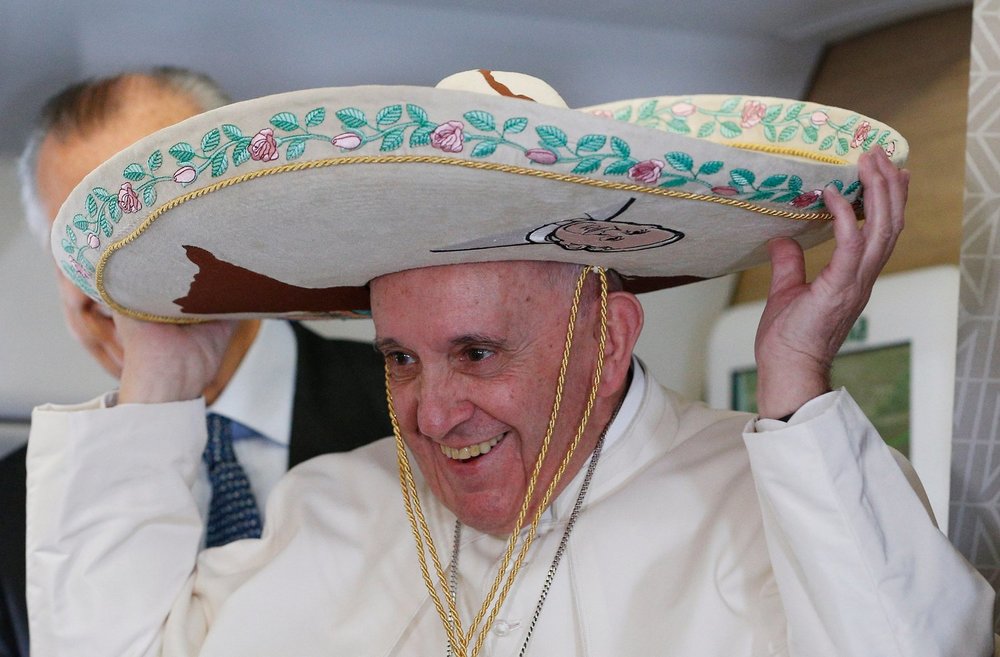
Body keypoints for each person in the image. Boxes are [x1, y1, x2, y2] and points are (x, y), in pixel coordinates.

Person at [25, 70, 994, 656]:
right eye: (399, 358)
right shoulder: (329, 509)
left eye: (476, 352)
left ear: (607, 340)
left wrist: (795, 380)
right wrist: (162, 372)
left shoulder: (763, 499)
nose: (432, 411)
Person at [1, 68, 391, 657]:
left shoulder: (414, 416)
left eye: (153, 227)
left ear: (250, 218)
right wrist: (160, 388)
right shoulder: (17, 504)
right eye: (80, 246)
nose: (118, 282)